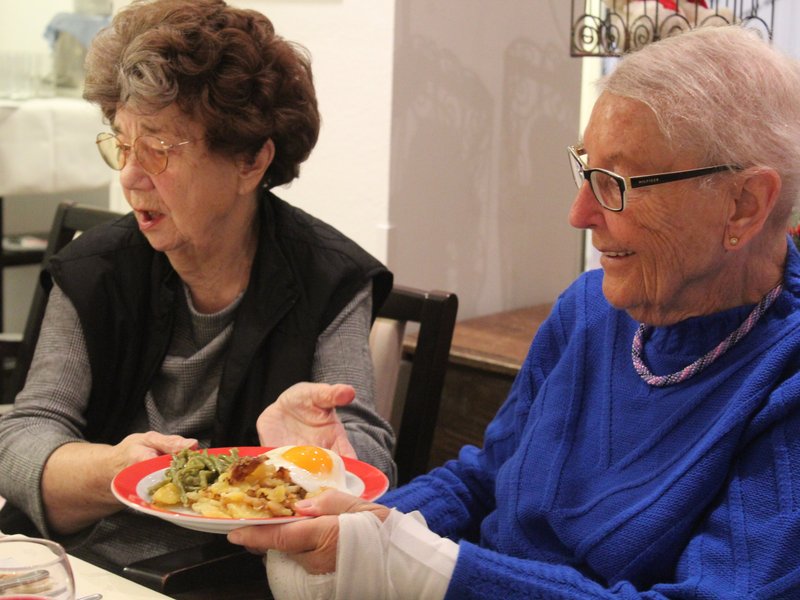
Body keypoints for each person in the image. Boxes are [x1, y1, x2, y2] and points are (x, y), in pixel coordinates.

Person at [228, 25, 800, 599]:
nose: (579, 213)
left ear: (744, 206)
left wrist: (417, 564)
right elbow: (484, 479)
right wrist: (346, 514)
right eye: (585, 170)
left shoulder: (784, 376)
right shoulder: (587, 310)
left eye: (617, 183)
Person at [0, 0, 395, 572]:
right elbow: (25, 433)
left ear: (252, 161)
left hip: (237, 575)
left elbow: (365, 458)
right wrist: (117, 469)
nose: (130, 176)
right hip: (86, 563)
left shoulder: (329, 278)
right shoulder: (95, 270)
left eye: (158, 147)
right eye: (122, 143)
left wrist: (315, 456)